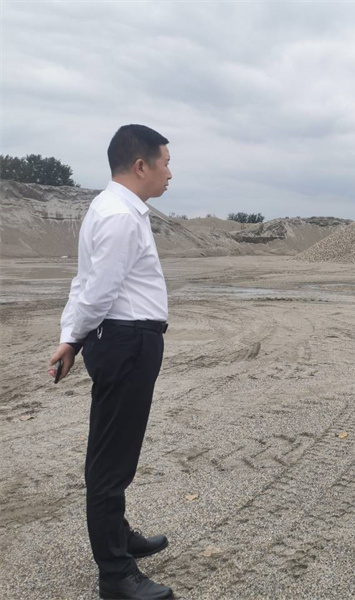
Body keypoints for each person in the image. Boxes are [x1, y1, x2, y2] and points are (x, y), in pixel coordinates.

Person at [47, 124, 174, 599]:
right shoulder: (120, 216)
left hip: (121, 339)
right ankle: (115, 575)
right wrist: (74, 338)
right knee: (111, 462)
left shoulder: (109, 208)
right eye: (165, 163)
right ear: (140, 165)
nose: (169, 174)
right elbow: (98, 292)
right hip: (126, 341)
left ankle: (117, 536)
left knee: (115, 452)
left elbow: (84, 283)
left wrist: (71, 339)